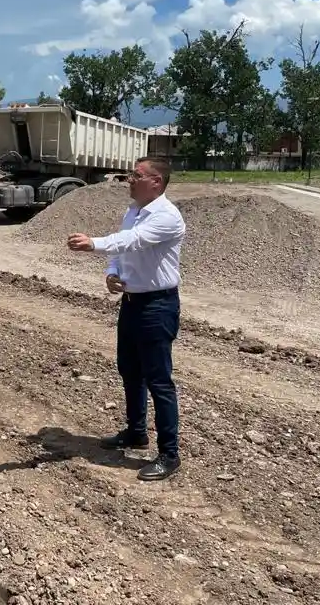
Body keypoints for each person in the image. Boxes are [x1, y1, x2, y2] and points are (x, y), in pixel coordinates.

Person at [66, 156, 185, 481]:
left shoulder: (166, 217)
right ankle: (135, 432)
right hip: (132, 303)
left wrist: (94, 244)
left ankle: (169, 454)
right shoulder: (132, 212)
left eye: (137, 176)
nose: (129, 180)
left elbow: (132, 240)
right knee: (130, 372)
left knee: (159, 380)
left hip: (157, 306)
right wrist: (111, 272)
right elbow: (122, 251)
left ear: (156, 182)